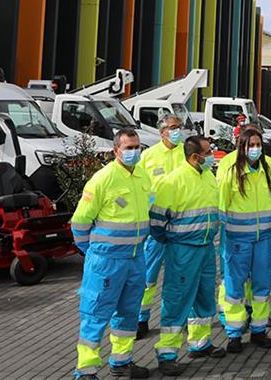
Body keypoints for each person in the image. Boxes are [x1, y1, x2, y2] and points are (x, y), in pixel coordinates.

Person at [71, 128, 152, 380]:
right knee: (95, 314)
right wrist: (93, 252)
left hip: (136, 258)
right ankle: (86, 371)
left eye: (137, 147)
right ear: (116, 150)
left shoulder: (142, 176)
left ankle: (121, 362)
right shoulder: (102, 179)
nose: (134, 152)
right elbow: (80, 222)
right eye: (128, 148)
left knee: (128, 314)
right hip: (106, 262)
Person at [150, 136, 225, 375]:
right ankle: (167, 353)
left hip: (205, 248)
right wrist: (172, 240)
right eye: (208, 152)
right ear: (195, 157)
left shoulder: (207, 177)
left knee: (204, 297)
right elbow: (157, 222)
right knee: (177, 299)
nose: (211, 156)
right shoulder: (172, 182)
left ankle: (200, 342)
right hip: (183, 250)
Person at [218, 128, 271, 353]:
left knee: (262, 287)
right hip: (237, 239)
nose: (255, 149)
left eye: (258, 144)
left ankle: (259, 330)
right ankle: (234, 333)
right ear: (241, 147)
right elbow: (221, 206)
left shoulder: (269, 167)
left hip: (264, 238)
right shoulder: (231, 171)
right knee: (235, 287)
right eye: (250, 145)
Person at [137, 116, 187, 337]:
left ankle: (178, 318)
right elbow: (139, 187)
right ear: (162, 132)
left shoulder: (187, 153)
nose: (177, 131)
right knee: (148, 276)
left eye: (179, 127)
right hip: (156, 226)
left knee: (180, 276)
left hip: (183, 222)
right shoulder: (148, 156)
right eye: (172, 128)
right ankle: (140, 318)